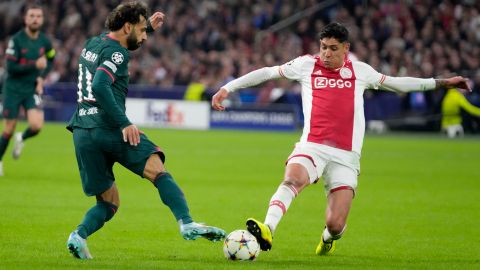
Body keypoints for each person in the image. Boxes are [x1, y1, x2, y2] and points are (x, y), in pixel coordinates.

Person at [212, 22, 470, 255]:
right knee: (293, 179)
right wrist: (227, 88)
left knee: (335, 224)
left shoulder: (360, 71)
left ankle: (328, 238)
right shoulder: (306, 65)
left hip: (346, 155)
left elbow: (398, 83)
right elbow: (268, 73)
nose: (326, 53)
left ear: (345, 48)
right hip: (312, 145)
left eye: (333, 48)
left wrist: (442, 82)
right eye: (323, 47)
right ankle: (268, 228)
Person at [66, 1, 225, 260]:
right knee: (157, 169)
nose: (143, 36)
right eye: (140, 29)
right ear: (127, 26)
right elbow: (100, 84)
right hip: (109, 128)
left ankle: (79, 235)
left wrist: (147, 28)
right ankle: (186, 222)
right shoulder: (119, 53)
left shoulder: (92, 44)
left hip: (82, 131)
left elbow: (115, 51)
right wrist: (124, 123)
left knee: (109, 203)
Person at [0, 4, 55, 176]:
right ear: (25, 19)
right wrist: (34, 66)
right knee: (9, 127)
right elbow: (10, 67)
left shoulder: (45, 41)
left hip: (31, 88)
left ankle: (21, 138)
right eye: (32, 16)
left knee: (37, 125)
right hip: (13, 88)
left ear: (42, 20)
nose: (35, 19)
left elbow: (51, 59)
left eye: (38, 16)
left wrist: (41, 76)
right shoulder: (16, 40)